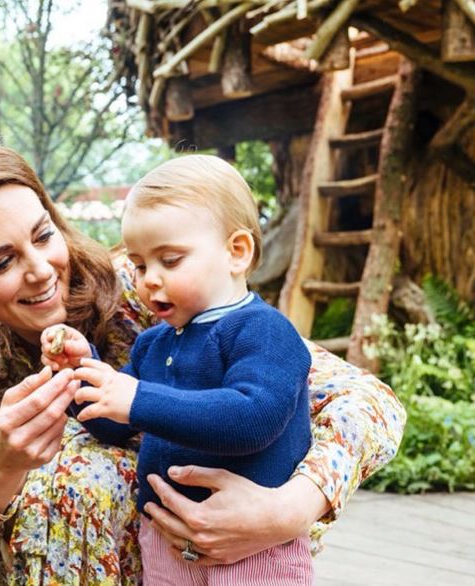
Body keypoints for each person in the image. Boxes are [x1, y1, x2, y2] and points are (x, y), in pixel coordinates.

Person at [0, 142, 406, 584]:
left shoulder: (152, 292)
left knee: (81, 468)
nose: (41, 270)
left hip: (223, 560)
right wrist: (0, 462)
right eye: (2, 261)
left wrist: (289, 510)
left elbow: (371, 403)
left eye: (44, 236)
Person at [40, 154, 314, 584]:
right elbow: (116, 423)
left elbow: (254, 417)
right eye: (141, 264)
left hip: (253, 549)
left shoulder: (263, 330)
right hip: (166, 539)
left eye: (170, 260)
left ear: (236, 252)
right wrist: (80, 371)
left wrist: (136, 397)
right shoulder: (153, 343)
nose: (149, 279)